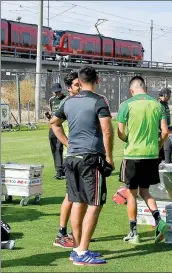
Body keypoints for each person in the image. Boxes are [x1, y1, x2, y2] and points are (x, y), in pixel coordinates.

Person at [50, 65, 114, 265]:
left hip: (72, 158)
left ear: (79, 79)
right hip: (90, 159)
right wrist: (110, 158)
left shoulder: (68, 101)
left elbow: (54, 123)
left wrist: (68, 143)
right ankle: (82, 251)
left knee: (78, 202)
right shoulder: (99, 100)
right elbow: (107, 131)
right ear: (98, 79)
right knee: (95, 204)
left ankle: (77, 249)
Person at [116, 76, 169, 246]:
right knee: (145, 192)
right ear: (144, 88)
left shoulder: (126, 105)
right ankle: (159, 221)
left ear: (132, 90)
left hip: (133, 155)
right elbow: (165, 132)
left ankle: (133, 233)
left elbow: (120, 132)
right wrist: (158, 145)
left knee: (131, 194)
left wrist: (128, 140)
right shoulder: (157, 105)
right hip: (151, 154)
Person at [53, 71, 80, 249]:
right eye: (77, 85)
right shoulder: (67, 102)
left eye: (81, 83)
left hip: (82, 155)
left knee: (80, 197)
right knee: (71, 196)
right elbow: (55, 124)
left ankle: (75, 233)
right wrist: (67, 143)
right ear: (69, 88)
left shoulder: (82, 100)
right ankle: (61, 234)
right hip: (73, 155)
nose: (80, 86)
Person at [48, 83, 67, 179]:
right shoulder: (51, 100)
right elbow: (51, 112)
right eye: (56, 92)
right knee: (54, 147)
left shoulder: (66, 99)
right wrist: (49, 117)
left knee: (59, 147)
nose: (58, 93)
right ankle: (58, 169)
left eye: (59, 91)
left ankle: (60, 170)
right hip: (52, 126)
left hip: (61, 126)